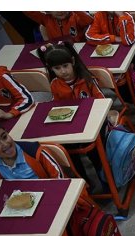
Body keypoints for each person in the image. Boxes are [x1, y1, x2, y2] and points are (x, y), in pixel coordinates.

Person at [37, 42, 106, 190]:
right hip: (71, 126)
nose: (63, 71)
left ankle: (104, 177)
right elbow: (56, 106)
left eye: (65, 66)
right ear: (51, 69)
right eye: (57, 68)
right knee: (67, 151)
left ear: (73, 62)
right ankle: (85, 182)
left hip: (93, 122)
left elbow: (102, 101)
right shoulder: (55, 84)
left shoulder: (87, 79)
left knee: (94, 150)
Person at [23, 11, 93, 42]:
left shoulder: (75, 17)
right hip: (57, 50)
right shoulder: (45, 18)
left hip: (78, 50)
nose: (60, 11)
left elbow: (89, 20)